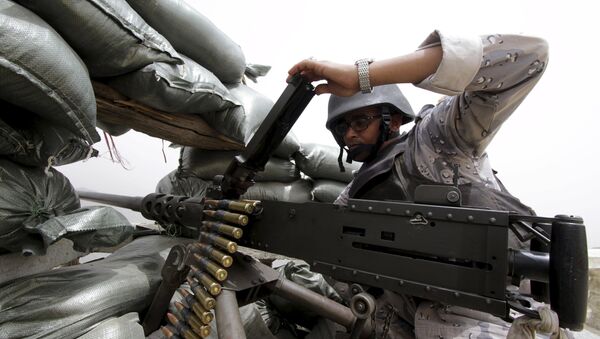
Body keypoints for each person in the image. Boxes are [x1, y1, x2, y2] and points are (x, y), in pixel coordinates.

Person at [286, 31, 561, 338]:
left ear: (391, 120)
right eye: (341, 128)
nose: (349, 134)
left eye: (360, 121)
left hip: (503, 318)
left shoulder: (437, 138)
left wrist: (360, 75)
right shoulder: (351, 200)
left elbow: (528, 57)